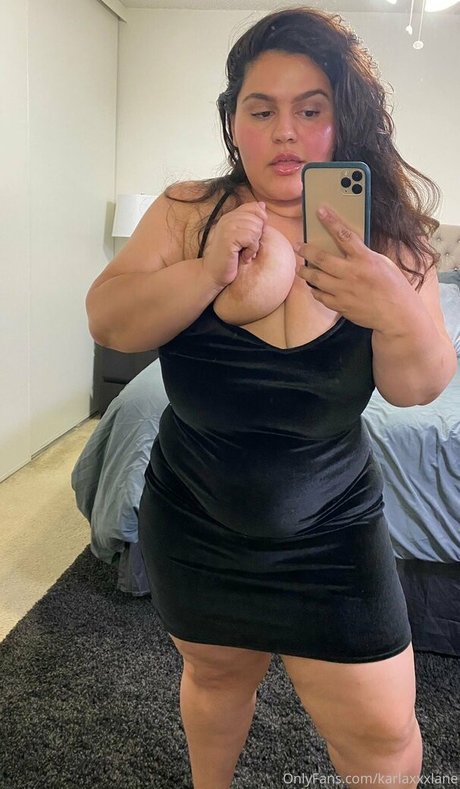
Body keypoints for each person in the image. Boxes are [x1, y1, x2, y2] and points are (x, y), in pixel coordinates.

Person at [85, 7, 457, 789]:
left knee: (385, 736)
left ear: (341, 119)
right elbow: (110, 320)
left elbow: (417, 386)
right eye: (261, 110)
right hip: (194, 518)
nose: (285, 131)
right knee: (216, 679)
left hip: (333, 531)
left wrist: (393, 304)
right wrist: (206, 272)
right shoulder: (188, 213)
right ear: (234, 122)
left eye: (310, 109)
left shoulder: (389, 236)